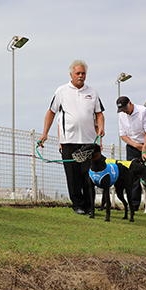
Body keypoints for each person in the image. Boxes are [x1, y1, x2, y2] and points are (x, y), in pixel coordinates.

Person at [39, 60, 105, 215]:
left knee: (87, 175)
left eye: (83, 73)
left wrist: (101, 128)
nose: (80, 76)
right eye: (78, 73)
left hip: (88, 141)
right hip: (68, 141)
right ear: (71, 74)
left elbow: (99, 113)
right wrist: (44, 134)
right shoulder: (61, 91)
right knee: (72, 175)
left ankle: (89, 205)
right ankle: (78, 205)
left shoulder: (93, 92)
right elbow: (51, 113)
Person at [117, 96, 146, 211]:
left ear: (130, 103)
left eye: (126, 108)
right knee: (131, 175)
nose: (125, 112)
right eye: (122, 110)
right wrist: (137, 146)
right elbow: (123, 135)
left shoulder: (143, 111)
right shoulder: (121, 115)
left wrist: (144, 150)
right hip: (133, 146)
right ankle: (133, 205)